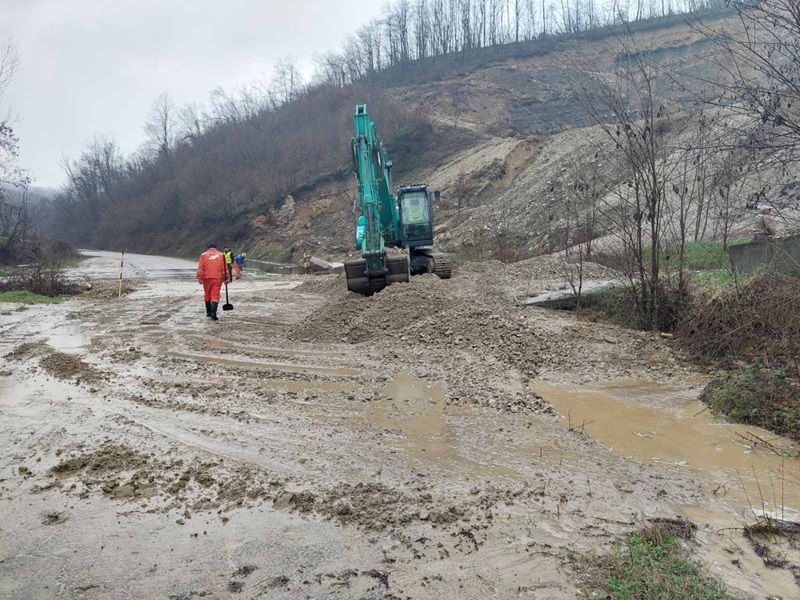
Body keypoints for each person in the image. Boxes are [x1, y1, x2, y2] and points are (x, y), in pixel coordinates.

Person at [197, 243, 226, 320]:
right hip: (217, 278)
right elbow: (225, 268)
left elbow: (200, 268)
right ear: (216, 248)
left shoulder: (203, 255)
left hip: (207, 278)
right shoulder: (222, 255)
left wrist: (200, 278)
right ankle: (214, 313)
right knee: (215, 295)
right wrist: (226, 278)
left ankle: (208, 312)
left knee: (207, 294)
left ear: (208, 248)